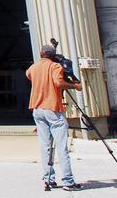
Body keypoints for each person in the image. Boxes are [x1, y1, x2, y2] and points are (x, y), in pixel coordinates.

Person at [27, 43, 82, 191]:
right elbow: (59, 82)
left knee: (45, 146)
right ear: (53, 55)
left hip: (37, 109)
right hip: (52, 109)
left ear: (41, 54)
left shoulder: (33, 67)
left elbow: (29, 75)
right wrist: (75, 86)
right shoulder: (55, 67)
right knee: (62, 147)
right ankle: (68, 181)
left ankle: (48, 179)